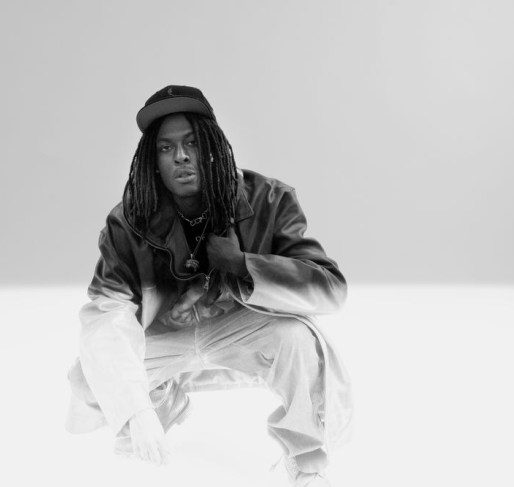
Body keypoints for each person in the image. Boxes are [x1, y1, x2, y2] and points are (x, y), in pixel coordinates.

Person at [65, 85, 352, 487]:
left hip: (243, 332)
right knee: (88, 376)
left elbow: (330, 290)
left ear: (213, 147)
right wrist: (136, 410)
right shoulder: (128, 221)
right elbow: (107, 313)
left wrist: (242, 264)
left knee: (299, 340)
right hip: (168, 338)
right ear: (153, 161)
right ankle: (164, 401)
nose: (181, 156)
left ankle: (306, 463)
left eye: (192, 143)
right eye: (166, 148)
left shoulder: (269, 200)